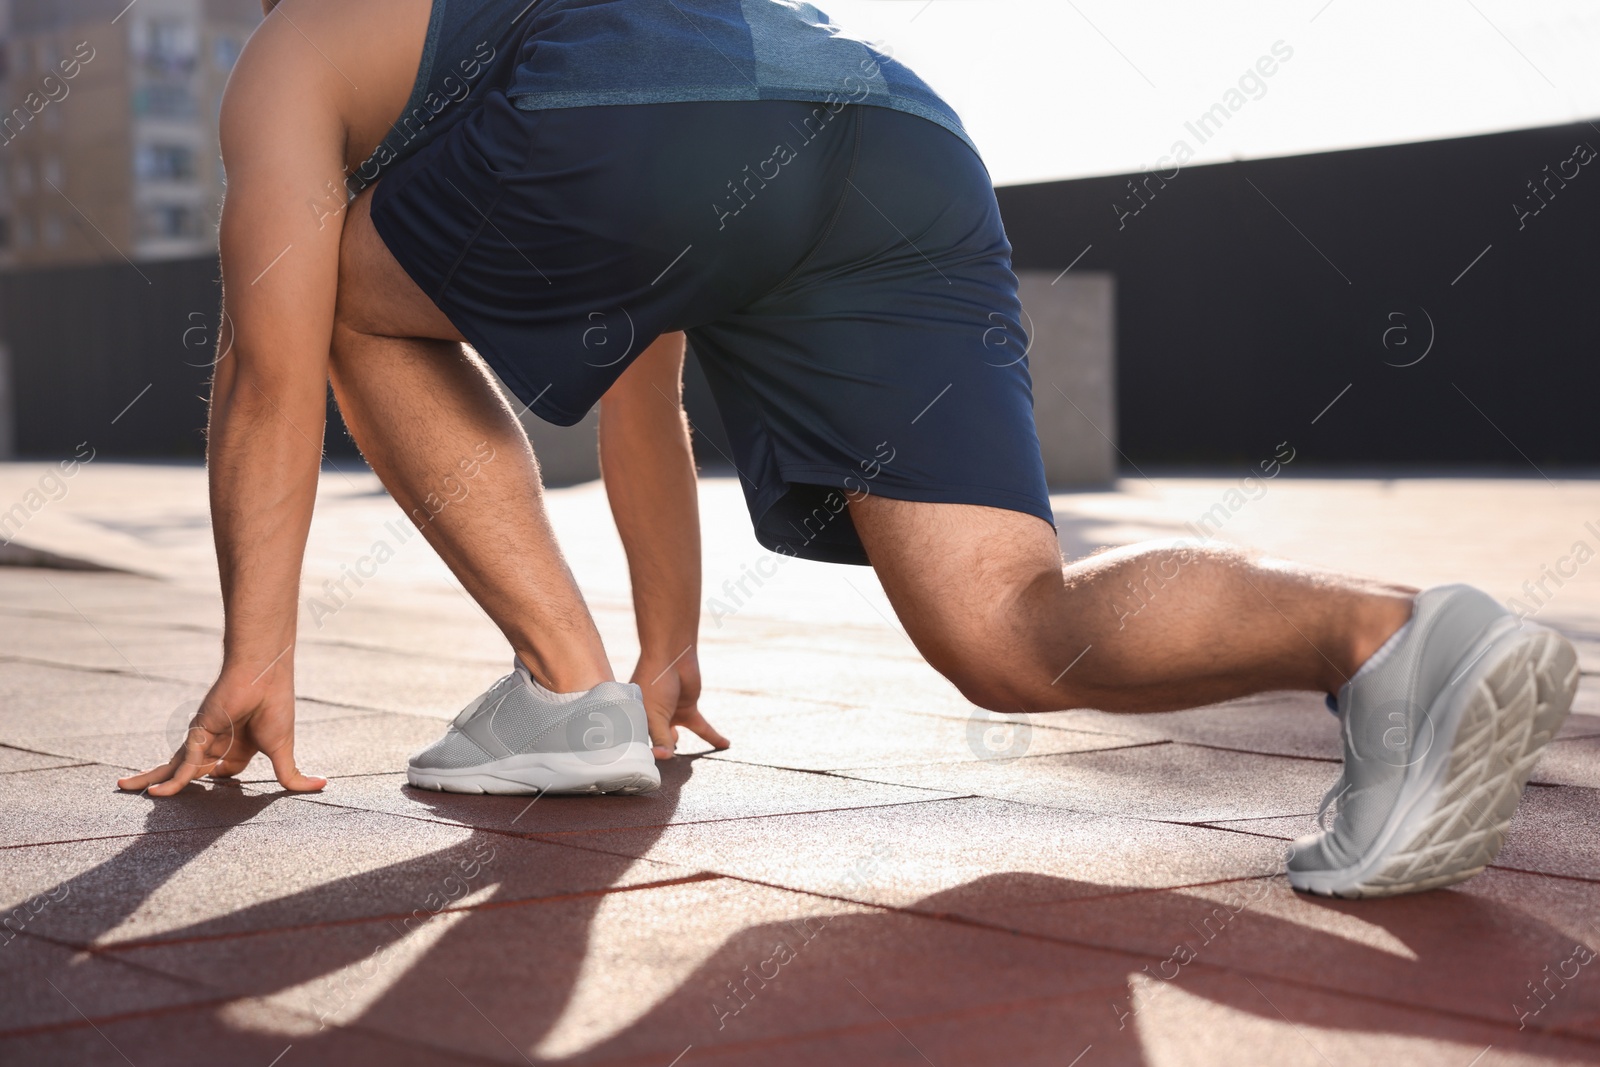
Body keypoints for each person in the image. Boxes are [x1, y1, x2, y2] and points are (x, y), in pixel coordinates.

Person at [118, 0, 1577, 900]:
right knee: (1008, 632)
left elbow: (267, 365)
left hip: (644, 137)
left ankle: (558, 695)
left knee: (328, 311)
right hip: (895, 134)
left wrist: (258, 654)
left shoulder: (293, 46)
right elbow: (646, 372)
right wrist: (667, 655)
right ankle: (1395, 641)